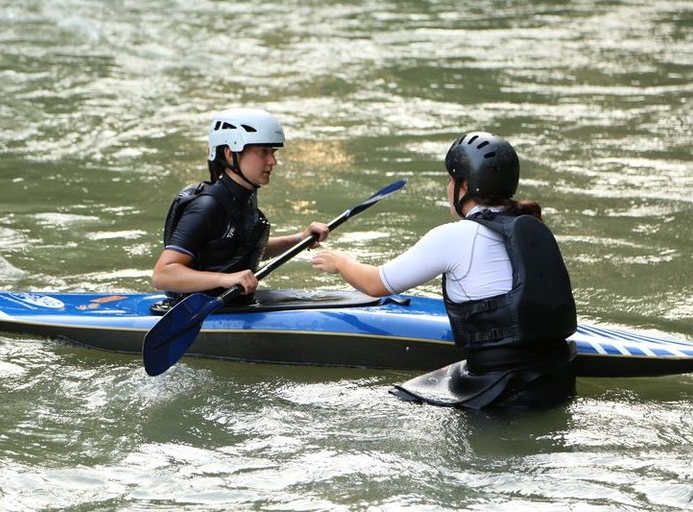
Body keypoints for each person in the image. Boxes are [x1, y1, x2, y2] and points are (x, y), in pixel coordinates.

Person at [311, 132, 578, 410]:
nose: (447, 188)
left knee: (388, 402)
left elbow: (375, 284)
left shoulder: (456, 236)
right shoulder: (532, 227)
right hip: (557, 375)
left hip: (502, 393)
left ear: (465, 185)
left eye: (450, 180)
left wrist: (341, 262)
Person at [151, 107, 329, 307]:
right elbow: (163, 274)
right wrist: (225, 279)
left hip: (232, 306)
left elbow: (240, 250)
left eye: (272, 152)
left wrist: (299, 239)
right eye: (263, 152)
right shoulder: (207, 207)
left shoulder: (242, 198)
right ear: (230, 154)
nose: (273, 161)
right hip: (197, 310)